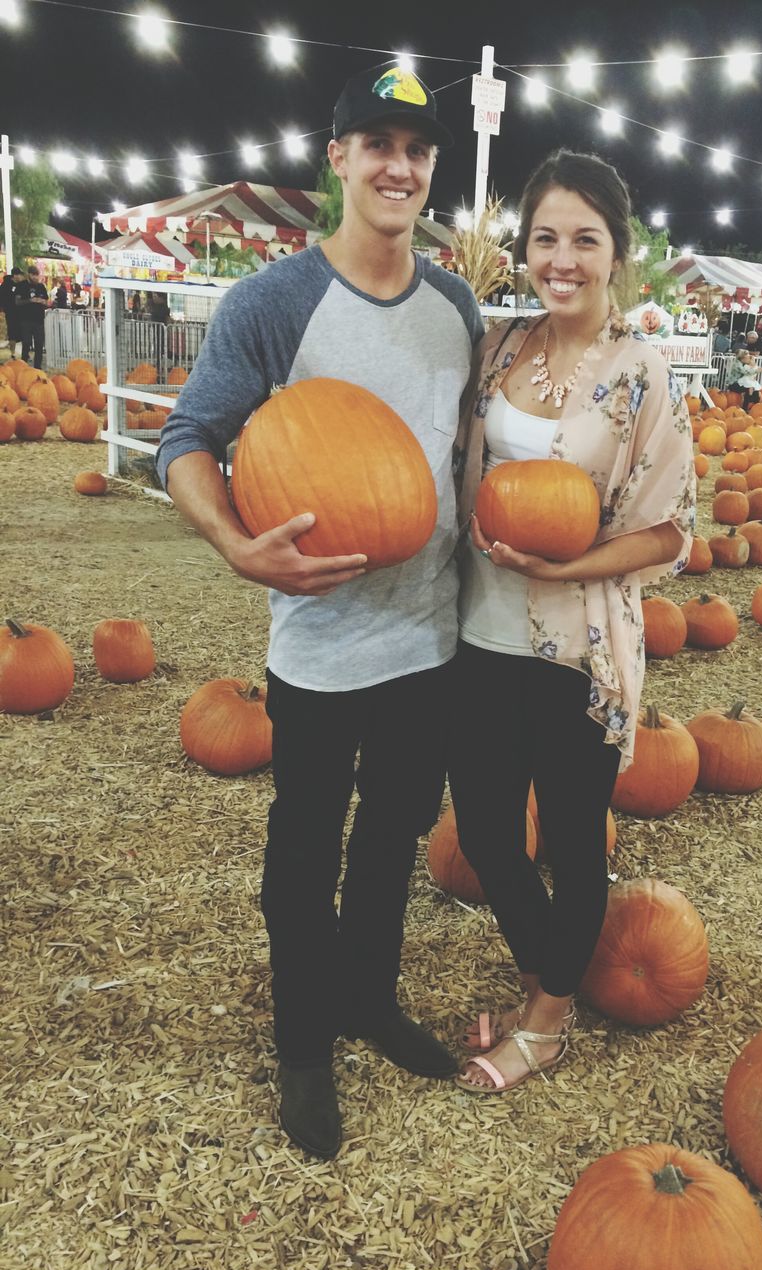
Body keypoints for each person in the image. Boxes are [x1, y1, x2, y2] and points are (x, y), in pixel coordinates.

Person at [155, 63, 483, 1159]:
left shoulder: (456, 307)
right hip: (321, 646)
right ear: (337, 158)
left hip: (429, 638)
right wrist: (238, 545)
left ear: (432, 168)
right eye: (376, 143)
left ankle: (368, 1000)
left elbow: (463, 459)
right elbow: (187, 440)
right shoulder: (273, 302)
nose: (399, 165)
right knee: (303, 850)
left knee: (391, 838)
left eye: (418, 149)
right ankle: (304, 1039)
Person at [448, 150, 695, 1094]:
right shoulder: (499, 346)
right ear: (526, 250)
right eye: (546, 237)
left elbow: (672, 528)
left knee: (575, 834)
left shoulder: (643, 376)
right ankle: (539, 980)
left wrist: (568, 562)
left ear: (615, 255)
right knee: (482, 828)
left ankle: (546, 1025)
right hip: (480, 632)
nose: (563, 258)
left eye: (584, 239)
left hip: (576, 648)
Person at [14, 265, 49, 368]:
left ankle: (37, 367)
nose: (36, 278)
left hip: (39, 320)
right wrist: (30, 300)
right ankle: (23, 366)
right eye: (33, 275)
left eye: (37, 275)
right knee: (26, 344)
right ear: (29, 274)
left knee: (39, 345)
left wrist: (43, 301)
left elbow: (47, 301)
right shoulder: (21, 285)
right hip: (26, 320)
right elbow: (17, 302)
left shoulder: (41, 286)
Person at [0, 266, 25, 359]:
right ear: (15, 275)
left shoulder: (21, 285)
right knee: (12, 333)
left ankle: (23, 352)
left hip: (21, 313)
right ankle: (13, 352)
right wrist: (3, 309)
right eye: (19, 275)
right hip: (10, 313)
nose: (20, 277)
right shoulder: (5, 285)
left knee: (22, 332)